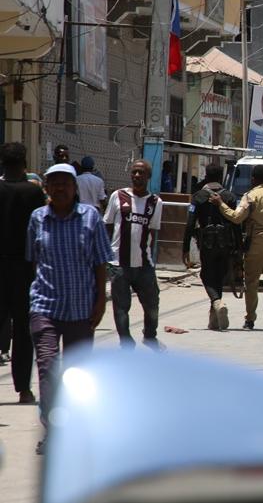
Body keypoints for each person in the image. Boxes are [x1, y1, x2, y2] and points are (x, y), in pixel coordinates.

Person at [27, 163, 112, 454]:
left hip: (81, 309)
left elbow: (101, 262)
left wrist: (100, 301)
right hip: (45, 307)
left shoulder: (90, 218)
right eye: (54, 183)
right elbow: (34, 261)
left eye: (66, 183)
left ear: (75, 188)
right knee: (49, 369)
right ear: (46, 188)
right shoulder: (38, 218)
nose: (60, 188)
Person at [211, 164, 263, 332]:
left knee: (252, 282)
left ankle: (250, 319)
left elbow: (237, 217)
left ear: (253, 179)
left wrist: (220, 204)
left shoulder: (251, 196)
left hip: (257, 243)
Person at [0, 143, 46, 403]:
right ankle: (24, 389)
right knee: (23, 331)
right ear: (24, 163)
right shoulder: (33, 193)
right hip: (24, 268)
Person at [104, 160, 164, 349]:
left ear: (148, 177)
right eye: (134, 172)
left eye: (141, 173)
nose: (137, 176)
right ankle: (126, 341)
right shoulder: (118, 196)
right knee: (121, 307)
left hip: (144, 264)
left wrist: (150, 258)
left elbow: (153, 233)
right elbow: (107, 225)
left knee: (152, 305)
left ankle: (149, 335)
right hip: (119, 264)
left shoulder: (155, 202)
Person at [184, 163, 238, 330]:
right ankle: (215, 317)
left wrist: (185, 248)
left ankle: (216, 302)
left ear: (206, 176)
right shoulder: (230, 197)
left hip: (206, 244)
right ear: (221, 177)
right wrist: (239, 247)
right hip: (225, 244)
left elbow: (190, 224)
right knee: (219, 276)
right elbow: (236, 223)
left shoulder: (198, 196)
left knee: (206, 276)